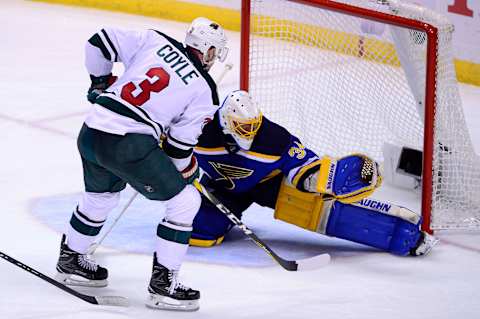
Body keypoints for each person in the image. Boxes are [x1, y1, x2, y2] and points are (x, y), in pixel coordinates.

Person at [55, 17, 228, 311]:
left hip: (93, 129)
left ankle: (71, 259)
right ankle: (164, 286)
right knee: (185, 201)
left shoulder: (154, 39)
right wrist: (187, 171)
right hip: (128, 144)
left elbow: (99, 40)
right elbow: (177, 150)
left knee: (101, 197)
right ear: (210, 51)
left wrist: (100, 81)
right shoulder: (204, 89)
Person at [190, 90, 437, 257]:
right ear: (226, 122)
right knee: (199, 233)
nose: (251, 132)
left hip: (268, 183)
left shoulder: (272, 138)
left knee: (318, 209)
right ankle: (224, 217)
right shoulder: (198, 129)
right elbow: (168, 148)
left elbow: (307, 168)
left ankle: (406, 235)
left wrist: (332, 179)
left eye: (254, 125)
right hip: (221, 186)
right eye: (244, 127)